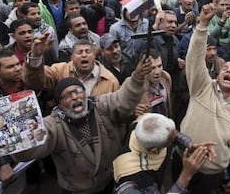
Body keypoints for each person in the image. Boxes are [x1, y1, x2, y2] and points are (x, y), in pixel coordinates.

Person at [9, 59, 152, 193]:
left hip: (111, 182)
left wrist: (137, 77)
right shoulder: (53, 124)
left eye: (78, 91)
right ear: (60, 104)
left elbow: (122, 99)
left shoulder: (101, 105)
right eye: (67, 95)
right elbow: (28, 152)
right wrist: (25, 137)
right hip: (77, 190)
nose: (75, 97)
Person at [181, 3, 230, 194]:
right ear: (218, 75)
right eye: (225, 69)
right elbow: (194, 57)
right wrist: (203, 24)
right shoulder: (202, 88)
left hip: (212, 176)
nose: (228, 70)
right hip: (181, 164)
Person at [112, 113, 215, 194]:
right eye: (170, 141)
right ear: (155, 151)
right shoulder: (132, 181)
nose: (175, 138)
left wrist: (190, 145)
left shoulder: (144, 123)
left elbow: (173, 134)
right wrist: (186, 175)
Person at [24, 35, 120, 97]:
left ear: (94, 56)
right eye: (79, 52)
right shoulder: (60, 71)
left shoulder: (110, 81)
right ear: (72, 57)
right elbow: (35, 81)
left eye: (88, 52)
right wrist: (36, 56)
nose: (84, 55)